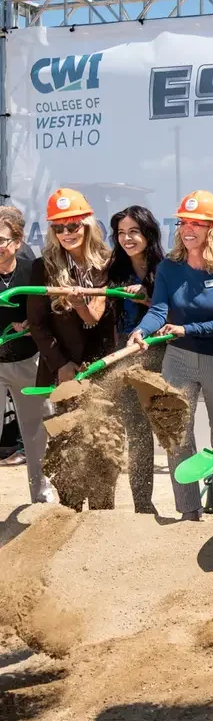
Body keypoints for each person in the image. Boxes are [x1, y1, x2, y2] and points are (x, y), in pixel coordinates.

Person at [130, 191, 213, 522]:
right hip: (177, 359)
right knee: (177, 433)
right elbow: (159, 310)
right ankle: (188, 511)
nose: (188, 229)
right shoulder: (169, 267)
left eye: (196, 223)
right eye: (183, 222)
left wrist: (186, 329)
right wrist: (142, 330)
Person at [27, 188, 116, 390]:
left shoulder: (108, 262)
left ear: (87, 226)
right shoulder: (44, 267)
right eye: (58, 228)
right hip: (67, 366)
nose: (66, 233)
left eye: (73, 226)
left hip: (105, 362)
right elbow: (37, 323)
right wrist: (60, 363)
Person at [108, 205, 166, 513]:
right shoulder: (113, 270)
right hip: (125, 357)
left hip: (165, 356)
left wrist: (147, 298)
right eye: (121, 233)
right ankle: (142, 504)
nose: (127, 238)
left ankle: (191, 505)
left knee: (173, 428)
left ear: (148, 233)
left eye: (134, 231)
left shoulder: (167, 267)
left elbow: (176, 311)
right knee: (138, 432)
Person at [0, 206, 54, 503]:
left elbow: (45, 310)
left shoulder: (31, 269)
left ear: (17, 242)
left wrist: (31, 324)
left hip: (28, 361)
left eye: (1, 240)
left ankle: (41, 496)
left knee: (37, 431)